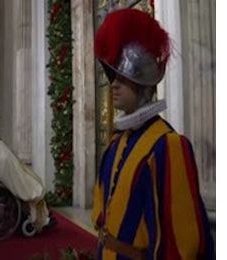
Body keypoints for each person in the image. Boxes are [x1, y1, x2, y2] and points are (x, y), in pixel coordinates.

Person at [91, 9, 214, 259]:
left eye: (122, 78)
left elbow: (181, 243)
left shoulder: (168, 146)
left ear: (143, 83)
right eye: (112, 76)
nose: (113, 84)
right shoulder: (117, 142)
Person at [0, 112, 55, 232]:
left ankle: (43, 216)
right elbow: (3, 163)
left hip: (13, 171)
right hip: (8, 175)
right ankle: (37, 218)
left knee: (33, 180)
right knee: (32, 187)